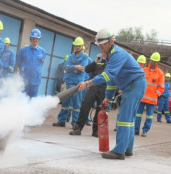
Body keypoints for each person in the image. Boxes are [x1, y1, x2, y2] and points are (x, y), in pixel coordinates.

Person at [78, 28, 146, 160]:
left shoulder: (117, 54)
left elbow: (107, 75)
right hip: (134, 84)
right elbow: (112, 79)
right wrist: (108, 97)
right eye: (99, 44)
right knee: (129, 119)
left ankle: (119, 151)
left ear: (111, 41)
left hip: (134, 84)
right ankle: (128, 149)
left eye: (103, 44)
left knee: (123, 119)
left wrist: (88, 83)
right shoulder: (109, 56)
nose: (101, 47)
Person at [53, 37, 89, 128]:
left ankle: (75, 123)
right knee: (65, 103)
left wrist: (72, 67)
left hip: (77, 84)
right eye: (76, 46)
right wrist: (76, 67)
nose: (77, 47)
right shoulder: (70, 56)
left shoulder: (85, 57)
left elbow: (82, 68)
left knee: (76, 105)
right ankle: (62, 121)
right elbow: (65, 67)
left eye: (79, 46)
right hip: (68, 82)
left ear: (82, 46)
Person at [69, 52, 107, 137]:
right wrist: (95, 61)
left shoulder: (111, 62)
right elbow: (87, 69)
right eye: (103, 52)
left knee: (100, 109)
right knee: (85, 105)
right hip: (93, 85)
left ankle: (96, 131)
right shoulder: (98, 61)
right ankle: (78, 128)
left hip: (104, 87)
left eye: (105, 53)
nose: (103, 54)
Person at [134, 52, 165, 137]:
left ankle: (145, 131)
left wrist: (155, 95)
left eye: (154, 61)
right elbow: (138, 82)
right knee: (138, 114)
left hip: (151, 100)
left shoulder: (160, 73)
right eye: (151, 61)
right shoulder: (144, 70)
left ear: (157, 63)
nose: (152, 63)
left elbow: (161, 88)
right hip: (142, 98)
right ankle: (136, 130)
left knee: (149, 116)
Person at [16, 28, 46, 98]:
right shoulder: (23, 50)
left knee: (33, 101)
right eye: (33, 38)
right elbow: (18, 63)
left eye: (37, 38)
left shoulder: (42, 52)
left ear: (39, 39)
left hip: (35, 81)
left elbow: (41, 64)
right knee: (23, 100)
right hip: (25, 81)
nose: (35, 40)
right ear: (30, 38)